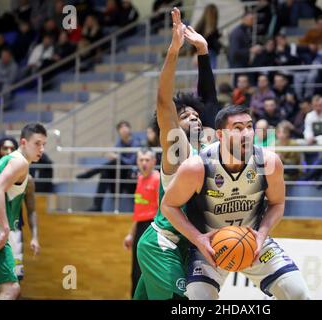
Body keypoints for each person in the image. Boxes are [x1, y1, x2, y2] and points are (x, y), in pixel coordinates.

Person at [160, 104, 310, 300]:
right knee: (199, 298)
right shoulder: (197, 167)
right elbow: (168, 206)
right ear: (221, 135)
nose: (246, 133)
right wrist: (198, 239)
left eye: (249, 126)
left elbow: (277, 204)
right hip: (210, 248)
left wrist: (261, 235)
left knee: (298, 293)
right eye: (238, 128)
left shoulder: (269, 162)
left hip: (254, 241)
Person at [134, 8, 219, 300]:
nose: (195, 116)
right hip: (164, 243)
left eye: (196, 114)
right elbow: (163, 99)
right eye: (186, 115)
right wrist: (173, 52)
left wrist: (204, 52)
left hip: (186, 247)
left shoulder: (206, 148)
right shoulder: (177, 148)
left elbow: (210, 102)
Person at [0, 123, 47, 300]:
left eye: (44, 144)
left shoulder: (9, 161)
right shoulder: (20, 163)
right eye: (37, 143)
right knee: (11, 289)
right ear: (24, 142)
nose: (41, 148)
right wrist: (5, 227)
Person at [77, 120, 142, 212]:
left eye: (125, 126)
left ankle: (91, 173)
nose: (123, 129)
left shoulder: (136, 143)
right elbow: (115, 158)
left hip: (129, 173)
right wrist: (114, 157)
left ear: (130, 129)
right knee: (105, 173)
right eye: (121, 127)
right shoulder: (119, 143)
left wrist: (118, 157)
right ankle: (97, 206)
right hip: (118, 172)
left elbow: (131, 162)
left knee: (116, 162)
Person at [123, 148, 159, 298]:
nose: (144, 163)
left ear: (154, 162)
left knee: (147, 272)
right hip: (140, 227)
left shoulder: (157, 179)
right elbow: (138, 211)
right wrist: (131, 234)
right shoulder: (139, 179)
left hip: (152, 227)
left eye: (147, 160)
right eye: (141, 160)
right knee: (135, 272)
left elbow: (162, 209)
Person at [194, 4, 222, 69]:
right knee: (207, 74)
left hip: (206, 52)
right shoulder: (203, 26)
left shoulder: (204, 25)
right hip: (206, 52)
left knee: (204, 74)